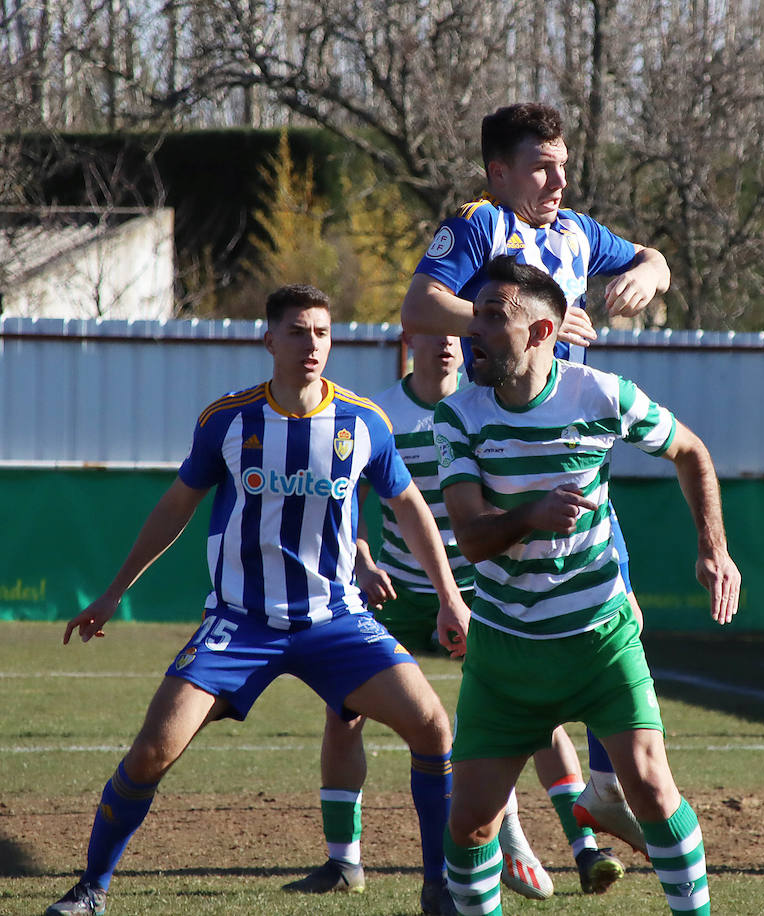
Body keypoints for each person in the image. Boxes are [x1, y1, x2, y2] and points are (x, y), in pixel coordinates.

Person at [47, 284, 470, 916]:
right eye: (297, 332)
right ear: (268, 339)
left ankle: (438, 888)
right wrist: (112, 594)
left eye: (322, 333)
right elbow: (175, 508)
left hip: (337, 622)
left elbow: (408, 505)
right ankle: (92, 888)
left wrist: (449, 597)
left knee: (433, 725)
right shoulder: (228, 420)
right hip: (239, 624)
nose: (311, 344)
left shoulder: (363, 423)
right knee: (151, 753)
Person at [434, 257, 739, 915]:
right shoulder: (457, 416)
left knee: (654, 792)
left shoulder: (601, 394)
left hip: (600, 640)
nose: (472, 331)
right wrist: (533, 515)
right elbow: (474, 537)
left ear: (543, 333)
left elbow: (690, 451)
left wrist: (714, 548)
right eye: (473, 315)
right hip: (506, 651)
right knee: (471, 826)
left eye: (493, 317)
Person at [402, 100, 667, 854]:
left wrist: (649, 273)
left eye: (562, 164)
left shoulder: (577, 233)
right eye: (541, 166)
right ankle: (511, 819)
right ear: (500, 171)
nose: (557, 179)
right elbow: (419, 303)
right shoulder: (484, 223)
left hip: (573, 453)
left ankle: (605, 797)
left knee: (616, 620)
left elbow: (654, 257)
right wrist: (515, 325)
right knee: (530, 634)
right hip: (506, 456)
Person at [282, 330, 624, 899]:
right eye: (431, 333)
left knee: (535, 712)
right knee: (344, 713)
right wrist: (363, 560)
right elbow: (350, 501)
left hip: (479, 588)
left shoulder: (479, 408)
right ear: (408, 336)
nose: (445, 345)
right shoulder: (379, 413)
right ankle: (345, 863)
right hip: (399, 591)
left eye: (456, 335)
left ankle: (583, 849)